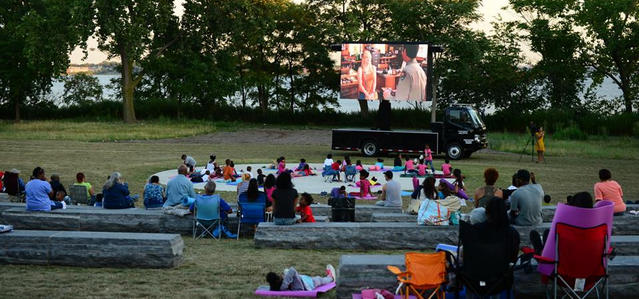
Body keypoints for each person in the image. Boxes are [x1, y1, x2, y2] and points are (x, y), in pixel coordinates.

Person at [266, 265, 336, 291]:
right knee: (320, 279)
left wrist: (286, 276)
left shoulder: (277, 287)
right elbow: (292, 269)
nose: (280, 276)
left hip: (302, 282)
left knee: (286, 271)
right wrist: (286, 277)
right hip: (306, 285)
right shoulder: (283, 284)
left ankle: (328, 277)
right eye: (278, 276)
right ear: (277, 279)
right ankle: (331, 278)